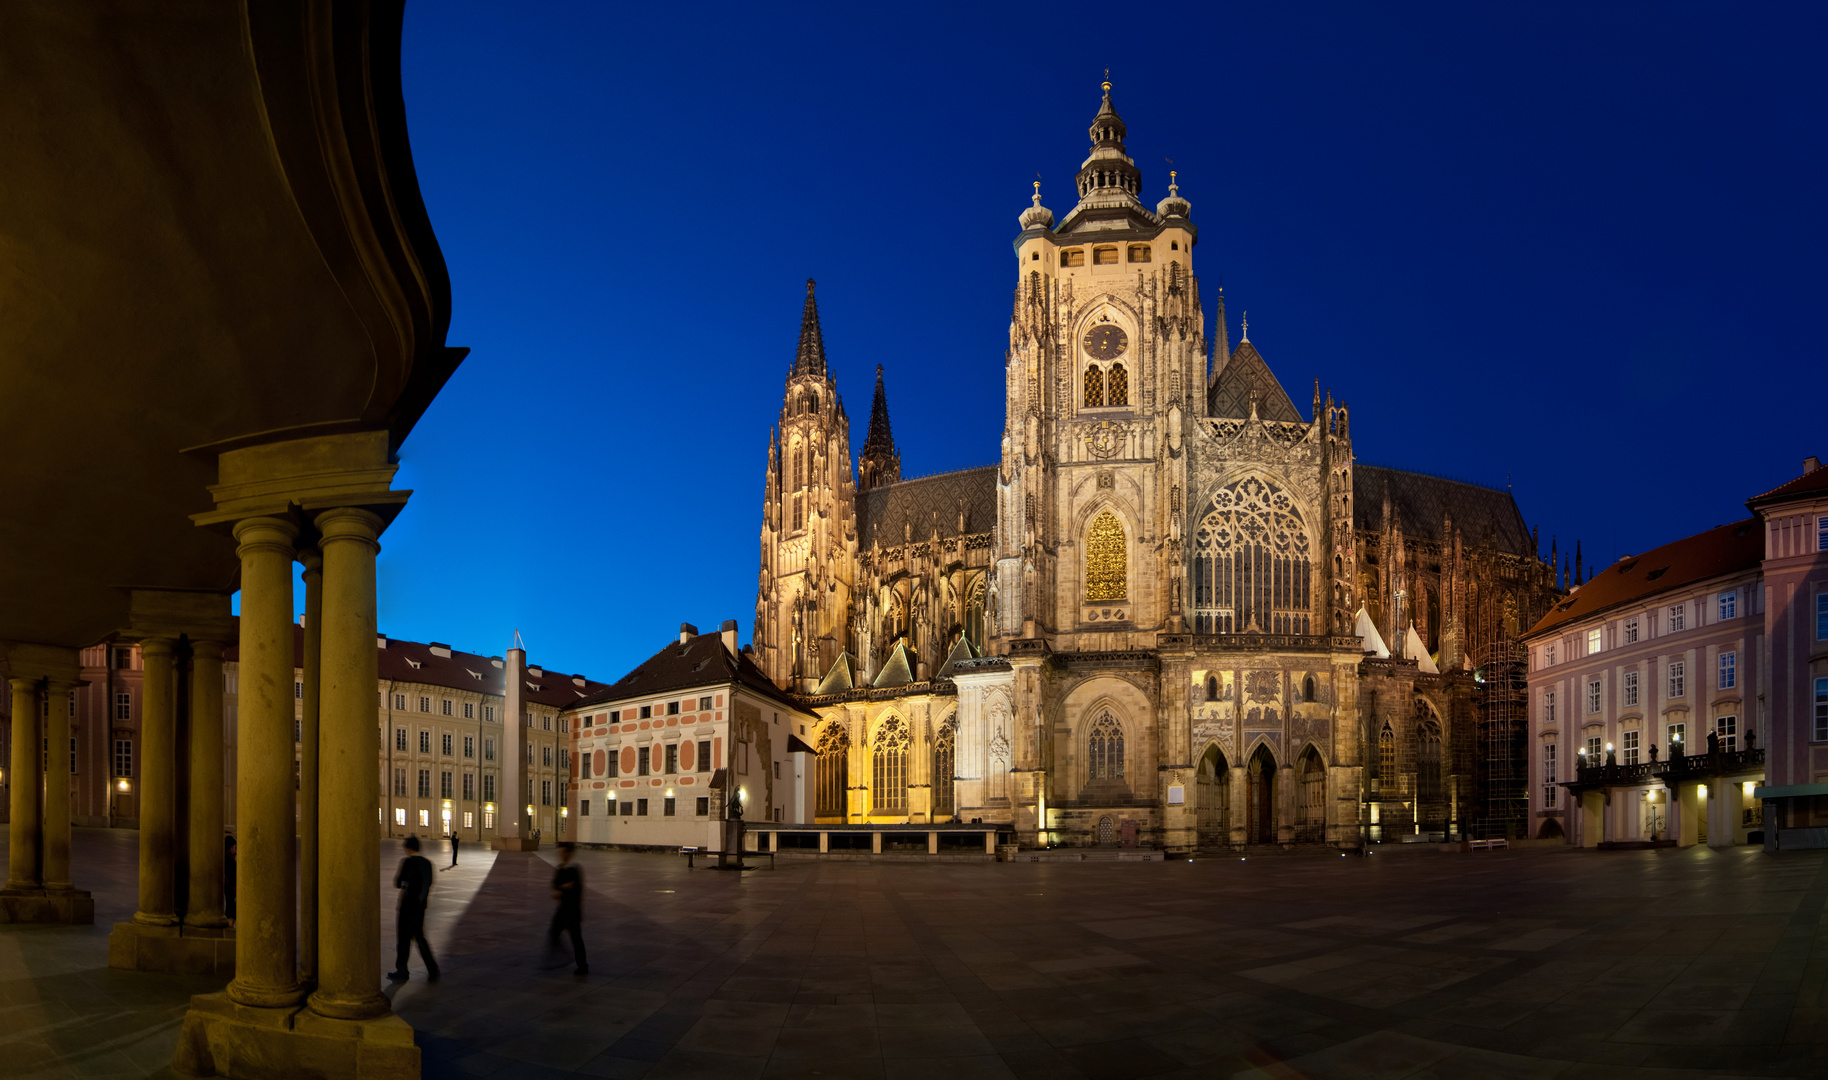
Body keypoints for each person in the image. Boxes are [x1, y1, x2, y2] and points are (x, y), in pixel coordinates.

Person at [389, 836, 439, 982]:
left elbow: (398, 883)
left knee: (403, 939)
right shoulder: (428, 864)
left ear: (409, 848)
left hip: (407, 906)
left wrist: (405, 883)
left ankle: (402, 970)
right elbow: (429, 883)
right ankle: (433, 969)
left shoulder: (407, 862)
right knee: (420, 937)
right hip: (420, 906)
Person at [549, 842, 587, 976]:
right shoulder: (560, 869)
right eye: (560, 852)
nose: (562, 855)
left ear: (570, 853)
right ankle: (563, 956)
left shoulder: (574, 870)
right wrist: (564, 887)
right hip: (562, 910)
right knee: (553, 933)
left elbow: (576, 891)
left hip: (572, 910)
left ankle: (582, 966)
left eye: (564, 852)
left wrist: (562, 889)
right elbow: (555, 887)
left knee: (576, 939)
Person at [223, 835, 237, 926]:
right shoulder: (229, 861)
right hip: (231, 887)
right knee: (230, 907)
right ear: (229, 847)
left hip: (230, 887)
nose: (235, 850)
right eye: (234, 847)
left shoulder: (226, 859)